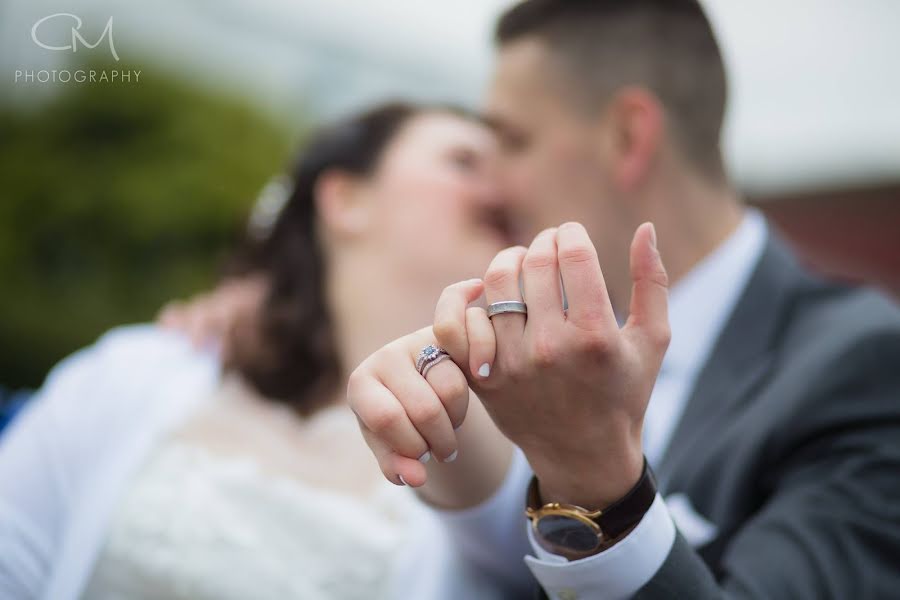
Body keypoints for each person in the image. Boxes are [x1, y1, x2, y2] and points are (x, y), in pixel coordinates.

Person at [347, 1, 900, 599]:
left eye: (513, 140)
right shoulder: (540, 344)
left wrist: (599, 487)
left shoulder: (867, 367)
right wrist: (449, 428)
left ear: (628, 136)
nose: (491, 185)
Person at [0, 102, 518, 600]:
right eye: (464, 162)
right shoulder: (142, 368)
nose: (502, 189)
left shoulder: (512, 444)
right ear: (347, 200)